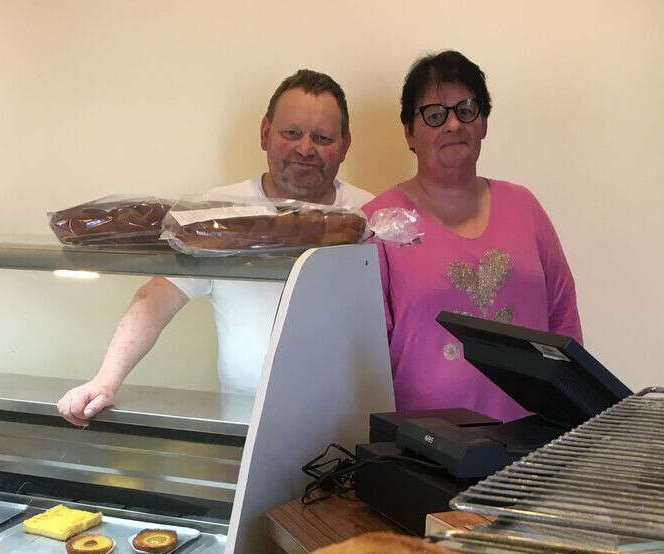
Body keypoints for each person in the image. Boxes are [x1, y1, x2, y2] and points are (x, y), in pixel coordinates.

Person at [58, 70, 373, 426]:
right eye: (291, 133)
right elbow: (158, 297)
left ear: (345, 145)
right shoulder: (217, 213)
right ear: (265, 133)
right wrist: (105, 379)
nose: (305, 148)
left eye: (322, 137)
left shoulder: (367, 216)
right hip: (244, 421)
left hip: (347, 426)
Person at [362, 51, 583, 421]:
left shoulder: (524, 206)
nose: (452, 125)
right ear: (409, 133)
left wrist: (569, 409)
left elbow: (565, 320)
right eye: (434, 114)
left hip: (536, 441)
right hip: (425, 449)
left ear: (483, 123)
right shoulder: (379, 222)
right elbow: (364, 352)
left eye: (466, 109)